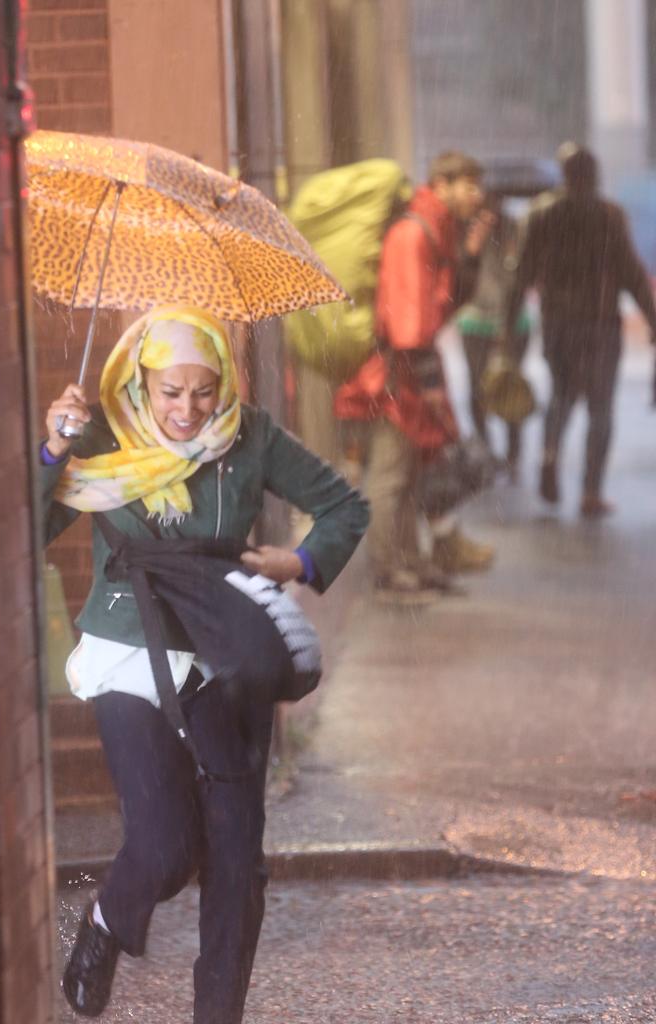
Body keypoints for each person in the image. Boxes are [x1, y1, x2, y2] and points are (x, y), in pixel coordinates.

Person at [41, 306, 368, 1023]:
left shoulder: (250, 436)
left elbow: (346, 507)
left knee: (235, 864)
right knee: (162, 846)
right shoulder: (100, 432)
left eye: (204, 391)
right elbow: (27, 528)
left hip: (226, 651)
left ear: (223, 382)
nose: (188, 409)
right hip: (130, 649)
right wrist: (52, 450)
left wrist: (302, 559)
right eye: (170, 391)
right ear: (140, 382)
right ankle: (104, 923)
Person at [335, 150, 495, 603]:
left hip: (407, 374)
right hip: (394, 379)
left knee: (407, 475)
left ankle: (410, 562)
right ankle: (388, 573)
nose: (475, 196)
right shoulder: (413, 233)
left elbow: (441, 304)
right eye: (467, 185)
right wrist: (427, 386)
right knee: (390, 478)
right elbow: (409, 320)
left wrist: (470, 256)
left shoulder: (436, 230)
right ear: (439, 184)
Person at [505, 143, 656, 517]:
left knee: (560, 395)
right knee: (600, 408)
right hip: (600, 324)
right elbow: (632, 273)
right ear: (594, 175)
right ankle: (590, 492)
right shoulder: (608, 214)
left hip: (557, 323)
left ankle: (549, 454)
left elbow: (520, 273)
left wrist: (508, 326)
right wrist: (652, 319)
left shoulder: (540, 214)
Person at [457, 193, 532, 474]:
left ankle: (514, 453)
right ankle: (486, 449)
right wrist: (473, 243)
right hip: (474, 320)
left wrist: (515, 247)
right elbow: (457, 270)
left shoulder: (518, 229)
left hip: (514, 321)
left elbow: (524, 273)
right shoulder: (465, 229)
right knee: (477, 387)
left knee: (510, 385)